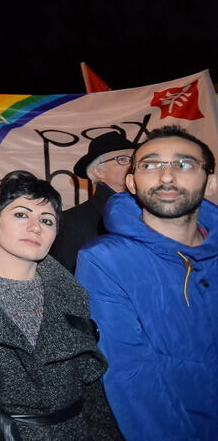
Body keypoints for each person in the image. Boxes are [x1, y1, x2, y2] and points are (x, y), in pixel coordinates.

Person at [0, 170, 118, 440]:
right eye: (21, 214)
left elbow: (91, 385)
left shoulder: (73, 294)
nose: (35, 226)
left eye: (47, 219)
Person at [76, 125, 218, 439]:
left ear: (210, 182)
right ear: (131, 182)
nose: (166, 176)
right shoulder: (104, 260)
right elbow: (132, 378)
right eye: (150, 165)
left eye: (183, 164)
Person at [50, 131, 135, 273]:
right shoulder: (72, 221)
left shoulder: (149, 214)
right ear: (98, 172)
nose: (131, 165)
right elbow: (63, 283)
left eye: (134, 159)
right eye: (122, 159)